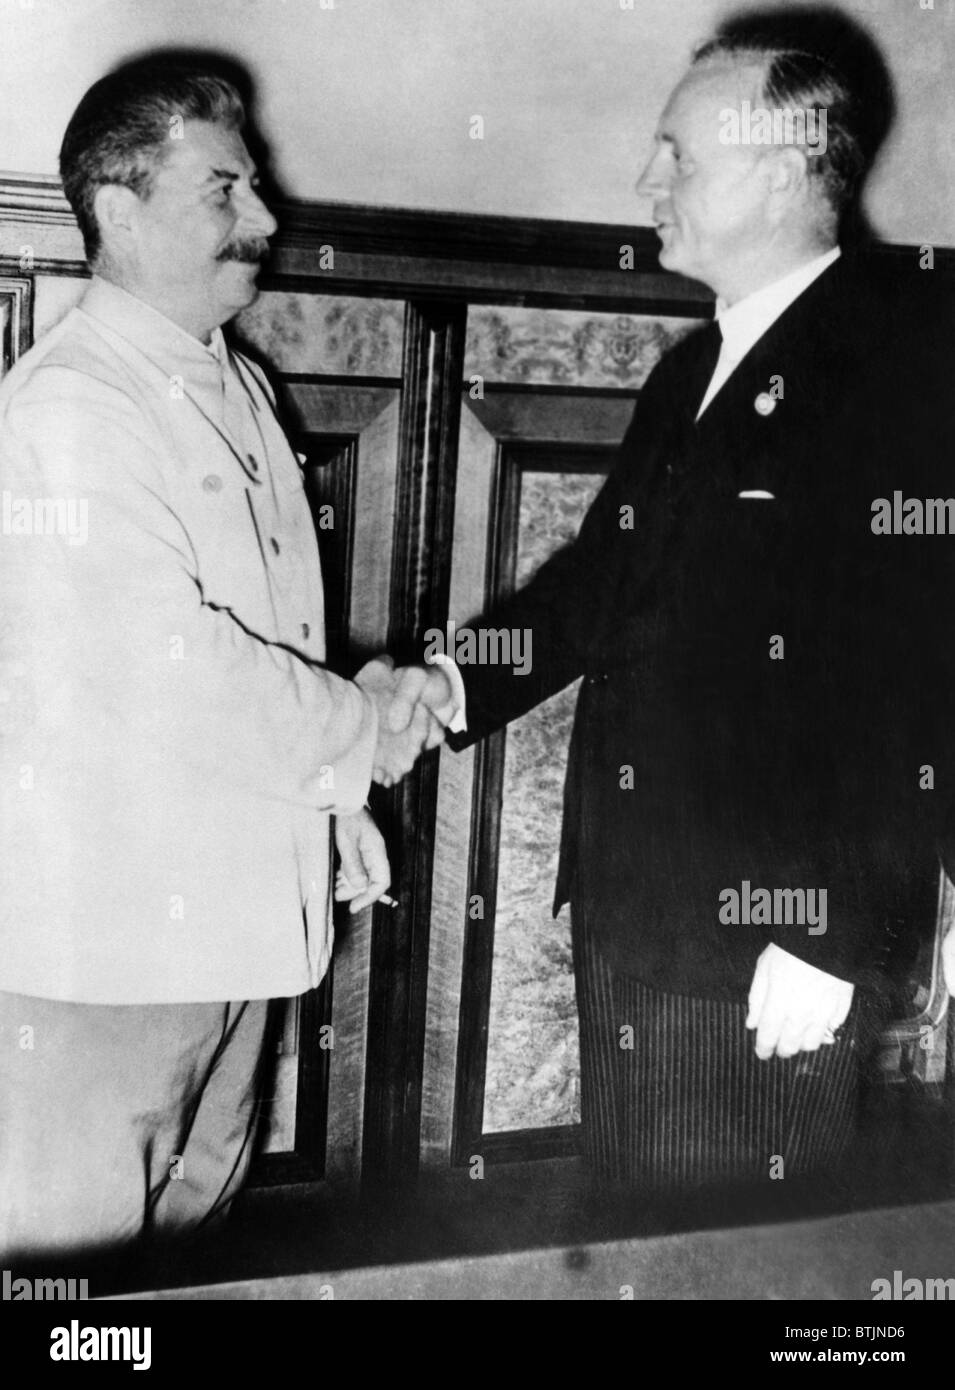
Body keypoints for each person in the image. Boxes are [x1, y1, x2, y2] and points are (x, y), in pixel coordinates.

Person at [397, 10, 955, 1192]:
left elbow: (914, 661)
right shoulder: (693, 370)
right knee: (653, 1232)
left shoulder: (902, 356)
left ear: (781, 166)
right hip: (644, 910)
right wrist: (447, 684)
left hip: (770, 947)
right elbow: (600, 585)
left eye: (676, 155)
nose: (645, 178)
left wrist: (834, 930)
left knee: (735, 1266)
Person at [0, 58, 458, 1263]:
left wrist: (330, 791)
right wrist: (360, 728)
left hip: (232, 941)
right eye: (223, 191)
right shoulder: (72, 410)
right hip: (106, 967)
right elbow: (171, 669)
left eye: (254, 189)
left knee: (183, 1262)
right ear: (119, 208)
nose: (262, 223)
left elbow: (270, 648)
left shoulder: (237, 383)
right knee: (72, 1288)